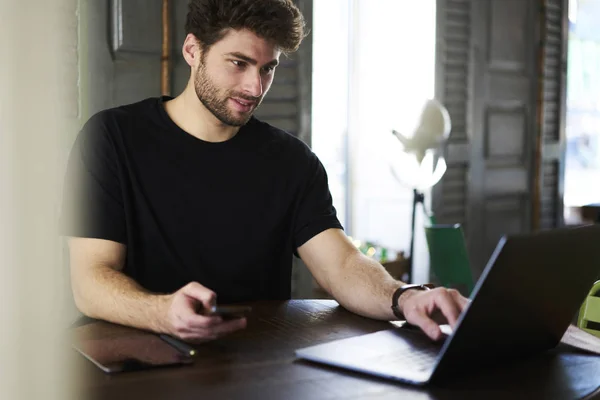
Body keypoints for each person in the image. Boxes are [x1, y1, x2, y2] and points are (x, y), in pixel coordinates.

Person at [61, 0, 468, 344]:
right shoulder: (111, 137)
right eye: (238, 63)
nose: (255, 87)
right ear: (192, 50)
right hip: (132, 357)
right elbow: (91, 279)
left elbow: (341, 266)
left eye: (267, 68)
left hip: (255, 360)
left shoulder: (293, 162)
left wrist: (405, 297)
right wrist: (161, 312)